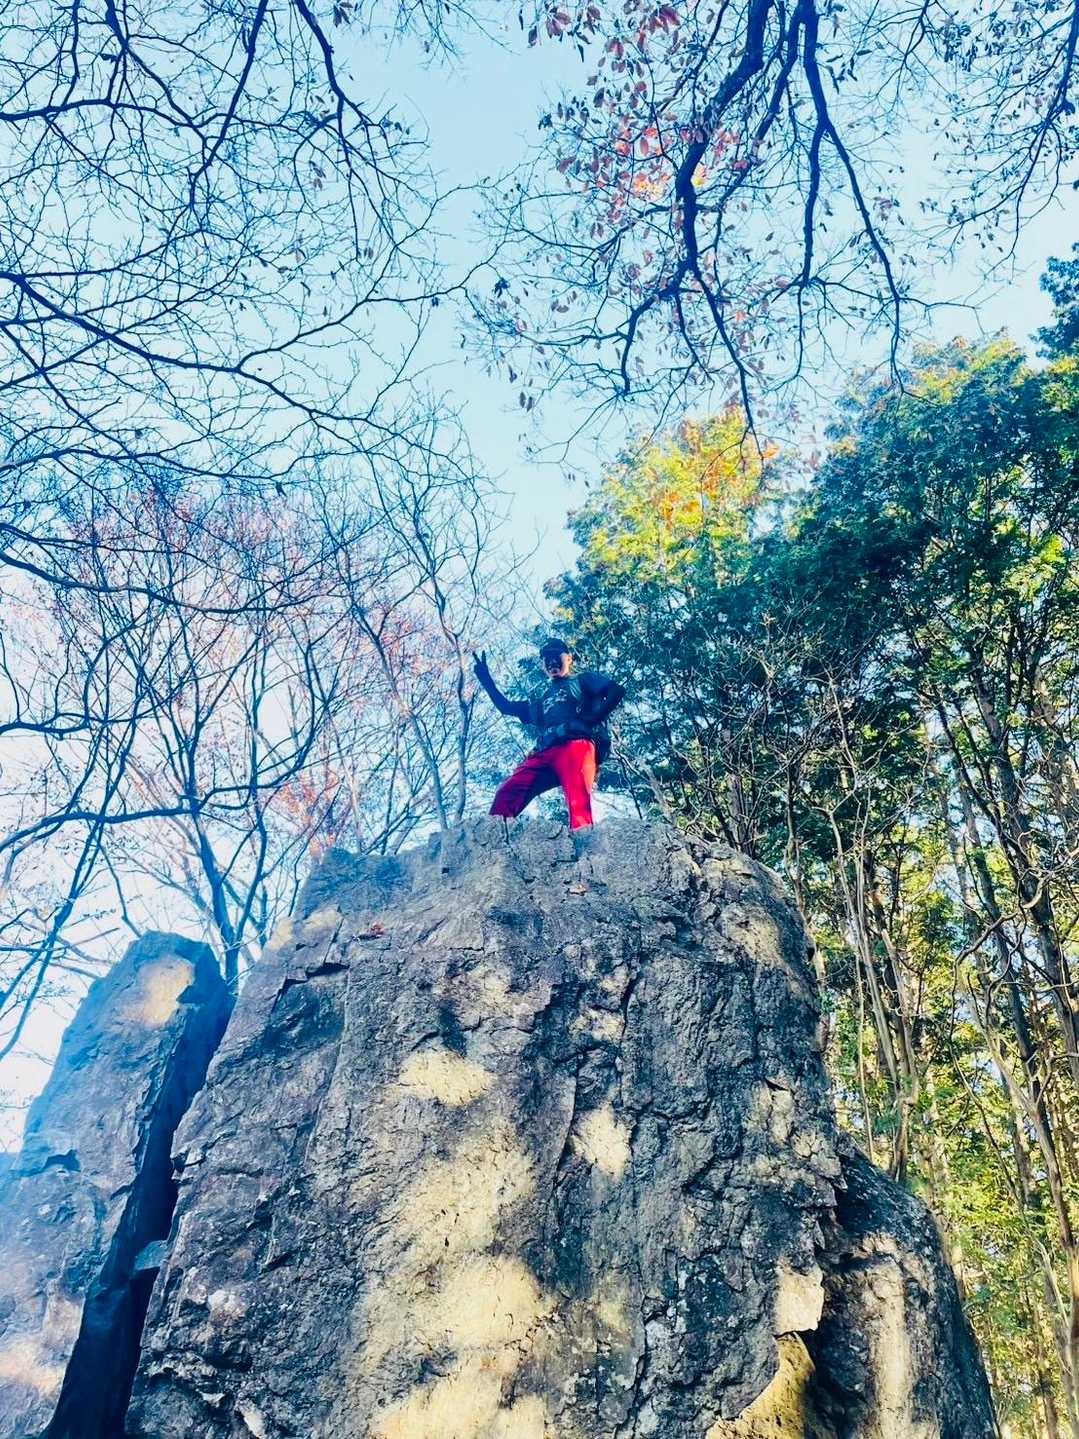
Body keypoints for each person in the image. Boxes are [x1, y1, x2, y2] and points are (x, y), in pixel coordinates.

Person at [472, 636, 625, 836]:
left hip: (576, 747)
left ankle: (586, 844)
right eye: (547, 659)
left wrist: (591, 719)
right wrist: (486, 681)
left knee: (578, 803)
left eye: (556, 657)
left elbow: (616, 691)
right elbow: (507, 707)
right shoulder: (541, 701)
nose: (552, 662)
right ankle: (493, 837)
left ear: (569, 658)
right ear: (542, 664)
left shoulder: (581, 680)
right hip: (544, 752)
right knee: (507, 792)